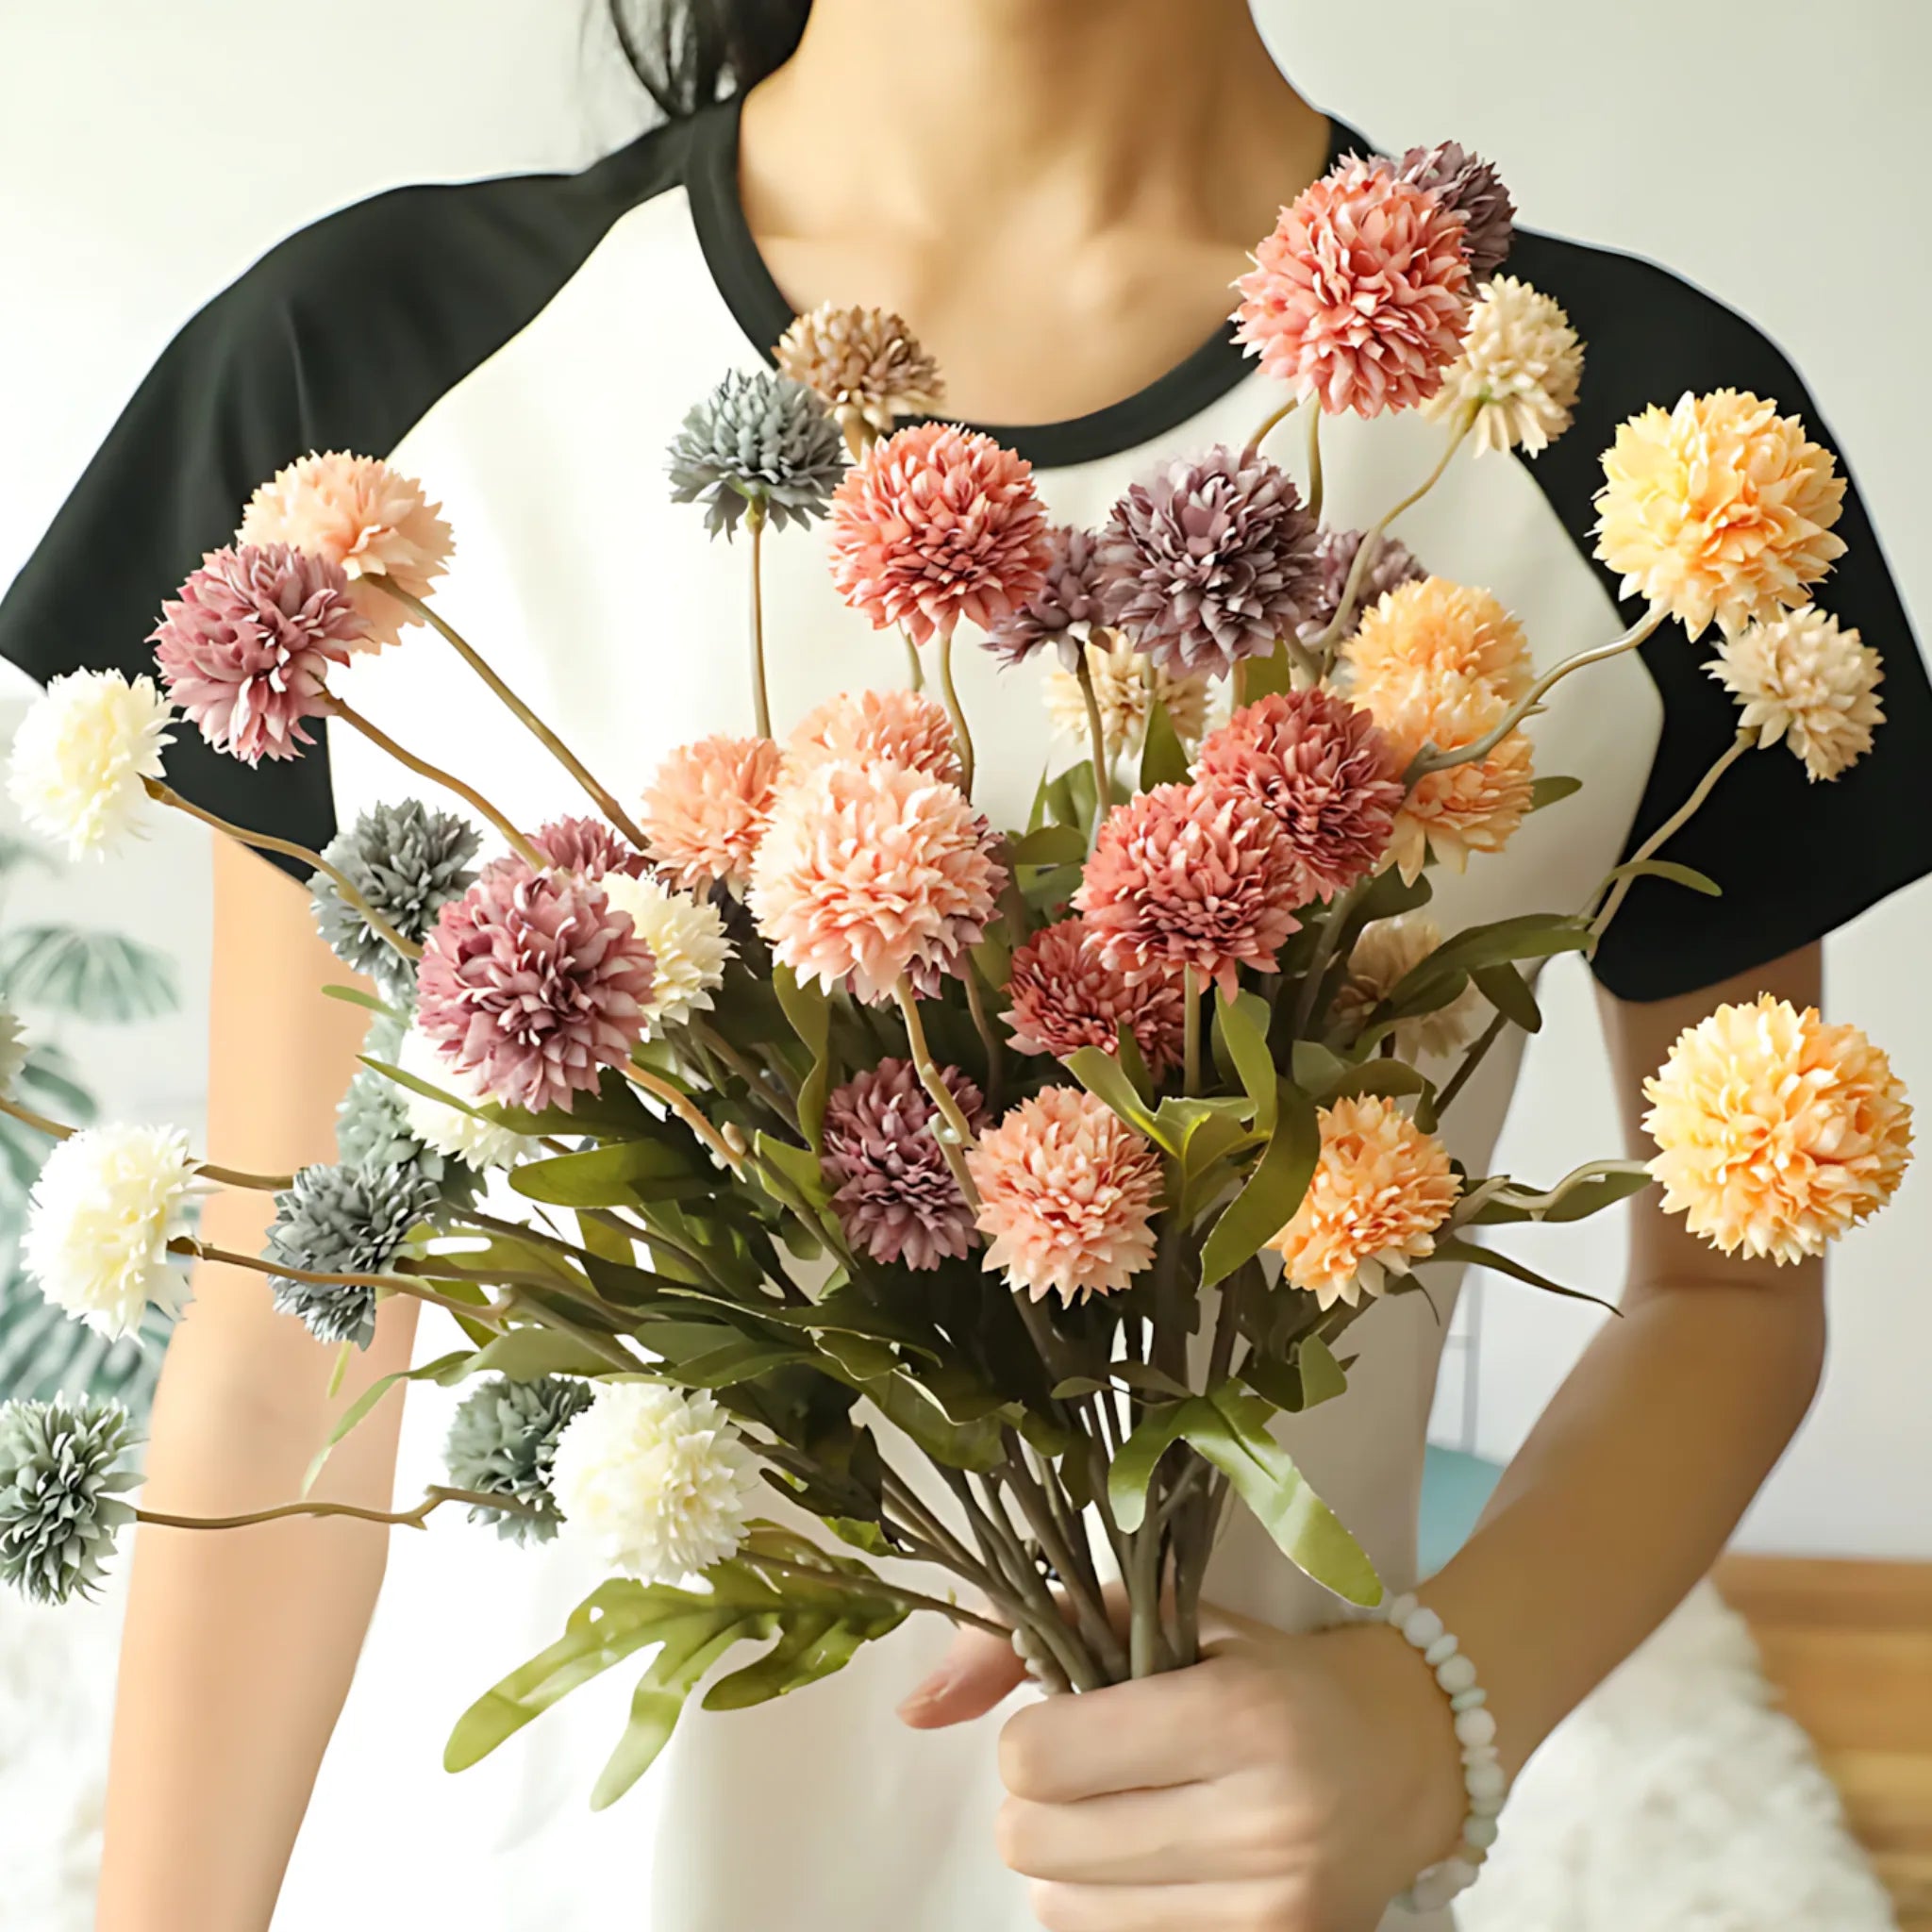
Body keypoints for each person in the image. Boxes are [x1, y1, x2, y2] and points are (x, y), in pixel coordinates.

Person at [4, 3, 1928, 1928]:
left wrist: (1435, 1719)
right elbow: (294, 1326)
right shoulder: (379, 365)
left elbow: (1729, 1291)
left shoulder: (1630, 448)